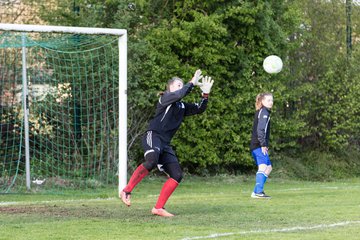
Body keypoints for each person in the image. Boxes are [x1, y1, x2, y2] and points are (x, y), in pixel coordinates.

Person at [120, 69, 214, 217]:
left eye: (181, 85)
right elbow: (179, 94)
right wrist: (191, 83)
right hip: (153, 136)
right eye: (177, 85)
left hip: (165, 144)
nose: (180, 87)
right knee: (151, 161)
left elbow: (199, 108)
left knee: (177, 174)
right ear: (169, 88)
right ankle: (126, 190)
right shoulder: (165, 99)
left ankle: (158, 208)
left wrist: (205, 94)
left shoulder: (181, 106)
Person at [250, 92, 273, 199]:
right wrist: (263, 144)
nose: (271, 102)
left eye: (272, 100)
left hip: (258, 145)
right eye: (268, 100)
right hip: (258, 145)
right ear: (262, 102)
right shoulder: (264, 112)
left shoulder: (263, 111)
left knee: (268, 168)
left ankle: (256, 191)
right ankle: (259, 192)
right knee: (263, 167)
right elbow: (260, 129)